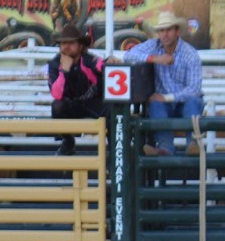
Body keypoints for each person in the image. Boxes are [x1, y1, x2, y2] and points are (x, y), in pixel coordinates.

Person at [123, 11, 204, 156]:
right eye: (161, 30)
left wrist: (167, 98)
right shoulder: (154, 46)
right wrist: (153, 58)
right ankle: (165, 148)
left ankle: (193, 144)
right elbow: (127, 55)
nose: (165, 34)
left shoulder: (190, 54)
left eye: (168, 30)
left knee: (192, 102)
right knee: (155, 104)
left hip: (182, 102)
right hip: (164, 104)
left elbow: (194, 89)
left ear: (177, 31)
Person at [47, 23, 105, 156]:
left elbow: (102, 64)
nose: (66, 46)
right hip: (71, 106)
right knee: (57, 106)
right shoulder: (55, 64)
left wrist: (109, 62)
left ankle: (115, 158)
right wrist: (65, 71)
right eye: (63, 43)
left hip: (93, 103)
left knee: (113, 111)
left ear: (80, 45)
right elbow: (56, 94)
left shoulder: (89, 59)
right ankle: (68, 141)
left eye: (71, 43)